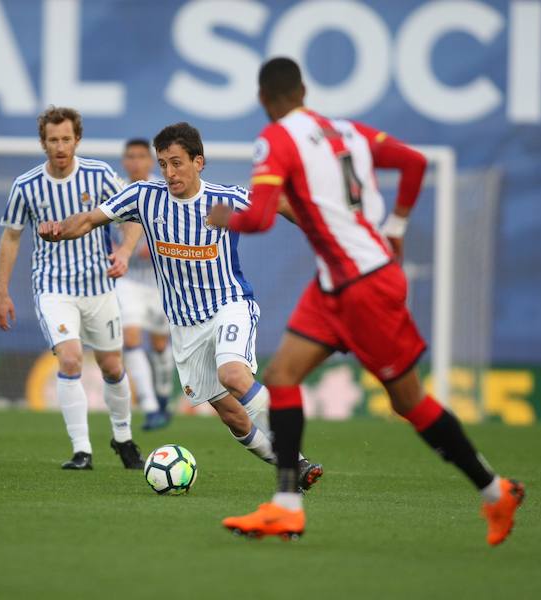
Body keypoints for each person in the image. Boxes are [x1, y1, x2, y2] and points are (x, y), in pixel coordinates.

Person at [217, 58, 524, 545]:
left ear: (263, 99)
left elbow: (257, 219)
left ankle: (495, 492)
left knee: (410, 403)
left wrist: (223, 219)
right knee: (281, 376)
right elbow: (414, 163)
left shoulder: (274, 139)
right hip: (340, 282)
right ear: (305, 90)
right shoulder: (349, 132)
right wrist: (396, 227)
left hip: (362, 286)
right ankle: (286, 507)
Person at [38, 122, 323, 490]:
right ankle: (293, 468)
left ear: (198, 162)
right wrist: (61, 227)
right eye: (163, 164)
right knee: (232, 417)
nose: (169, 173)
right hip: (185, 326)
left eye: (177, 163)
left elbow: (280, 203)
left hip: (229, 305)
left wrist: (321, 235)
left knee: (234, 375)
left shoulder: (225, 198)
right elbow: (91, 219)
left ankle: (293, 450)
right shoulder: (144, 196)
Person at [0, 106, 145, 470]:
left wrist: (124, 252)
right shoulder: (26, 186)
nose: (60, 146)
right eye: (53, 140)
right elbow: (11, 238)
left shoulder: (99, 175)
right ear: (43, 143)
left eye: (66, 139)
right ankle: (82, 450)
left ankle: (123, 439)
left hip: (99, 286)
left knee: (111, 366)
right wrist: (2, 293)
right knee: (71, 358)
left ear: (77, 139)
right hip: (53, 288)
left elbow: (133, 214)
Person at [116, 139, 175, 430]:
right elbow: (100, 227)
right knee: (130, 338)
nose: (136, 162)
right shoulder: (115, 190)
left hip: (163, 282)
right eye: (130, 157)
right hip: (128, 281)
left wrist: (155, 247)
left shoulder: (165, 191)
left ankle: (163, 397)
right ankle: (150, 407)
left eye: (141, 156)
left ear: (150, 162)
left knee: (161, 344)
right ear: (124, 162)